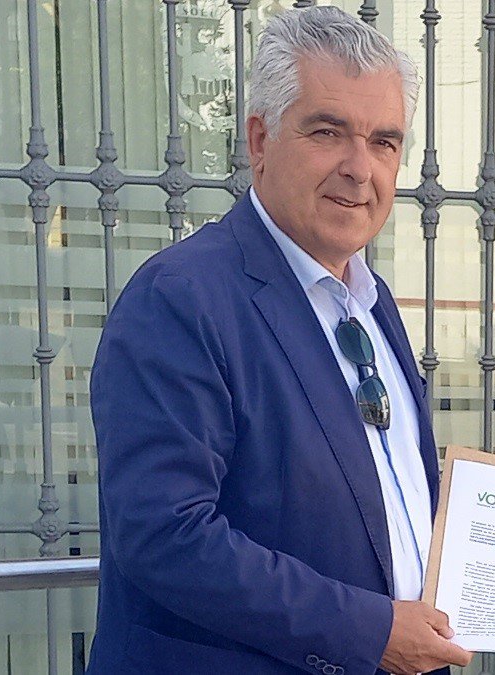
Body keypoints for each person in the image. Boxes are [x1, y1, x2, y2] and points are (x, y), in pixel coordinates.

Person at [86, 7, 472, 674]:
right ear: (259, 141)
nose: (361, 169)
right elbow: (166, 535)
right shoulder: (180, 298)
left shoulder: (371, 302)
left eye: (384, 142)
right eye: (328, 132)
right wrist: (370, 631)